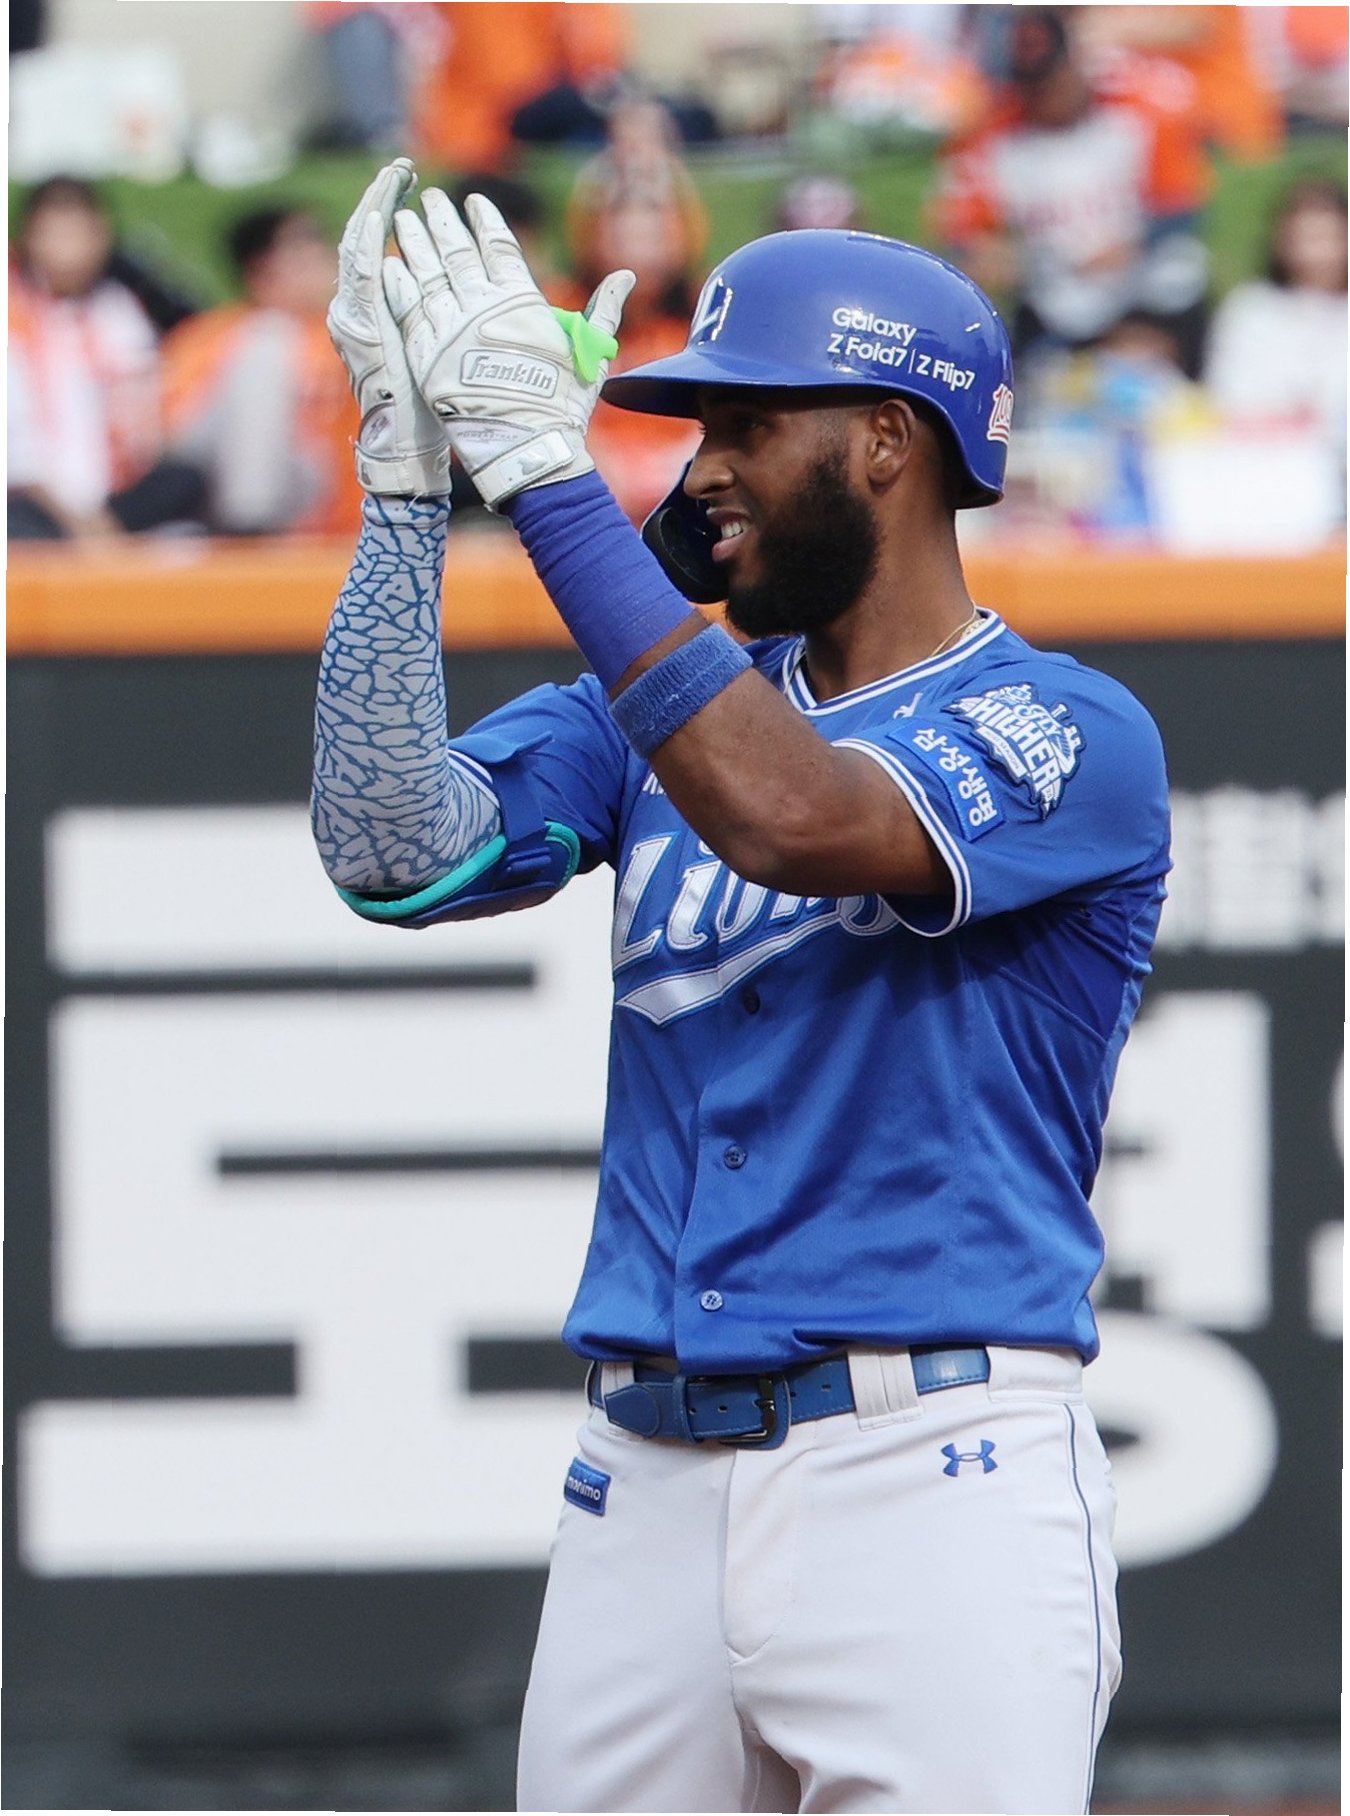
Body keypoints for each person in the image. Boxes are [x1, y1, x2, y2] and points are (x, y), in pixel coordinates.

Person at [313, 161, 1170, 1814]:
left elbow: (791, 815)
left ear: (885, 441)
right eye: (695, 428)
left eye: (746, 424)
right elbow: (387, 849)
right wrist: (405, 493)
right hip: (641, 1476)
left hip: (933, 1466)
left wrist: (549, 478)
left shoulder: (1067, 728)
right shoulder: (649, 717)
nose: (702, 468)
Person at [933, 5, 1212, 376]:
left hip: (1150, 297)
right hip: (1055, 311)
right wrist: (987, 256)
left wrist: (1129, 245)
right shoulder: (990, 139)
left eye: (1053, 77)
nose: (1045, 93)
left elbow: (1182, 207)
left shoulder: (1138, 106)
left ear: (1074, 62)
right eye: (1030, 85)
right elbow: (959, 239)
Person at [8, 176, 204, 540]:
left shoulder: (119, 310)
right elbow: (18, 448)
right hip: (34, 498)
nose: (69, 251)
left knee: (184, 481)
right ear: (29, 240)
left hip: (113, 494)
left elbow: (147, 411)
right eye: (56, 236)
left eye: (80, 235)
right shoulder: (15, 316)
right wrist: (79, 520)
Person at [160, 206, 363, 535]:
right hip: (224, 494)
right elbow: (175, 439)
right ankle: (252, 528)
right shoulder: (215, 337)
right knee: (266, 344)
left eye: (320, 241)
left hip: (328, 497)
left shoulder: (351, 332)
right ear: (259, 268)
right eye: (301, 246)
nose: (319, 255)